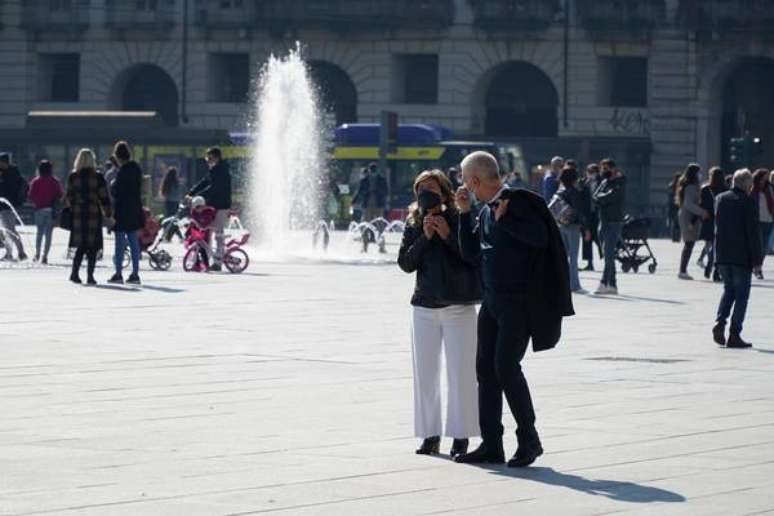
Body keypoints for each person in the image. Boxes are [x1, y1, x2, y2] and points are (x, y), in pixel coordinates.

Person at [454, 151, 574, 468]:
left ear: (475, 180)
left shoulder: (519, 202)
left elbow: (539, 238)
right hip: (492, 302)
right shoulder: (482, 212)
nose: (464, 186)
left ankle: (529, 440)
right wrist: (464, 214)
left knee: (506, 368)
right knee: (485, 370)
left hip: (519, 303)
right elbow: (469, 255)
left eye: (465, 181)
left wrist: (505, 220)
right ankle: (492, 444)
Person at [398, 170, 481, 459]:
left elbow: (472, 257)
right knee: (425, 375)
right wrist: (425, 236)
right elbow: (405, 264)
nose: (425, 194)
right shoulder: (413, 221)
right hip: (423, 307)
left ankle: (461, 436)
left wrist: (447, 235)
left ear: (444, 191)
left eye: (431, 188)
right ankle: (430, 435)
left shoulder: (460, 217)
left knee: (461, 374)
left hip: (458, 307)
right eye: (420, 189)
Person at [712, 169, 763, 349]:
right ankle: (734, 334)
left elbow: (716, 229)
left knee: (728, 290)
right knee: (741, 296)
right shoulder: (748, 202)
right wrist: (757, 261)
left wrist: (715, 257)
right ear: (747, 184)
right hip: (741, 256)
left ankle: (719, 323)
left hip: (723, 254)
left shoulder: (720, 199)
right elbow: (753, 233)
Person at [65, 149, 112, 285]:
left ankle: (74, 273)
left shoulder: (73, 176)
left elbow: (69, 197)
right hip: (93, 212)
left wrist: (74, 206)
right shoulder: (98, 176)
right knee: (93, 245)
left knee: (81, 244)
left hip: (78, 213)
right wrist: (108, 213)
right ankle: (90, 276)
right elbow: (104, 197)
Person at [188, 147, 232, 271]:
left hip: (221, 204)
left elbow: (214, 187)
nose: (207, 160)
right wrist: (191, 193)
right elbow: (204, 181)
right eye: (207, 158)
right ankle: (207, 258)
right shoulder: (214, 169)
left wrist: (199, 195)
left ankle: (218, 262)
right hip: (212, 204)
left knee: (218, 232)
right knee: (206, 230)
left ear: (217, 157)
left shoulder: (222, 170)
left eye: (210, 158)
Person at [109, 141, 145, 285]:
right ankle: (135, 273)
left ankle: (118, 273)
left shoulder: (122, 171)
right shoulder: (136, 168)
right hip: (135, 208)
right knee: (133, 241)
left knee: (119, 243)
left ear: (118, 156)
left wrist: (112, 185)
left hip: (122, 209)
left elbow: (117, 191)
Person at [551, 165, 591, 293]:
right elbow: (579, 212)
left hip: (561, 224)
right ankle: (574, 285)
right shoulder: (575, 192)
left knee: (562, 256)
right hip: (573, 226)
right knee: (573, 257)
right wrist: (586, 229)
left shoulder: (559, 191)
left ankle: (560, 284)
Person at [592, 158, 626, 295]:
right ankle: (613, 285)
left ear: (613, 168)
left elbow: (611, 197)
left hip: (614, 221)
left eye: (606, 168)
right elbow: (595, 196)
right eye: (602, 168)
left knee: (609, 253)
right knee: (608, 254)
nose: (603, 171)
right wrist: (602, 198)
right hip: (603, 220)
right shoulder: (604, 182)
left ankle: (604, 282)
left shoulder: (620, 182)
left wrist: (601, 199)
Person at [676, 163, 709, 280]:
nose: (700, 174)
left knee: (689, 244)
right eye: (699, 172)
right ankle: (682, 270)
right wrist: (702, 212)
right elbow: (688, 204)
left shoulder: (691, 185)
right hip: (688, 216)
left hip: (689, 215)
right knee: (689, 243)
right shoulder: (690, 186)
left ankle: (683, 270)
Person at [28, 160, 63, 264]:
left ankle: (37, 253)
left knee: (39, 233)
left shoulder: (35, 181)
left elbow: (30, 196)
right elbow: (60, 194)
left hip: (39, 209)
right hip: (51, 210)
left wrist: (37, 200)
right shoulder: (55, 181)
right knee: (48, 234)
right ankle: (45, 256)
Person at [697, 167, 727, 281]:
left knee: (709, 245)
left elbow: (701, 205)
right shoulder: (725, 189)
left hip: (708, 220)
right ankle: (715, 270)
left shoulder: (705, 189)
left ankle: (709, 265)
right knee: (718, 247)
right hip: (720, 220)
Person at [0, 152, 29, 261]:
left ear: (5, 162)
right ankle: (9, 253)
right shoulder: (5, 172)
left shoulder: (11, 174)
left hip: (8, 206)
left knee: (10, 230)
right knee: (6, 230)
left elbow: (8, 190)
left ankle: (21, 253)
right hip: (3, 206)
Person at [751, 169, 773, 279]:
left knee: (764, 247)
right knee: (757, 245)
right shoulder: (752, 189)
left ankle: (759, 267)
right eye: (764, 176)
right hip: (756, 221)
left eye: (767, 176)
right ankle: (756, 268)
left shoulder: (769, 188)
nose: (766, 178)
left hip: (768, 220)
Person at [579, 164, 601, 271]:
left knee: (598, 238)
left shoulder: (601, 182)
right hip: (587, 214)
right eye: (589, 172)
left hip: (597, 215)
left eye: (593, 172)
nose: (591, 174)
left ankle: (606, 256)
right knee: (587, 238)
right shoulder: (584, 183)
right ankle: (589, 263)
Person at [189, 196, 217, 270]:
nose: (198, 209)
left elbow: (210, 222)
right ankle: (197, 264)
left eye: (200, 207)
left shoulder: (209, 212)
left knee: (204, 248)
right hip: (198, 231)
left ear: (204, 206)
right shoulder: (194, 212)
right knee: (194, 247)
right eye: (196, 208)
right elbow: (193, 221)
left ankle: (206, 265)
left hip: (206, 231)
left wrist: (208, 226)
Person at [667, 172, 681, 242]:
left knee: (676, 223)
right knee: (676, 223)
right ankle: (675, 237)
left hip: (674, 206)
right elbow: (671, 196)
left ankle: (676, 237)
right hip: (675, 206)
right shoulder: (673, 186)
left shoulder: (672, 185)